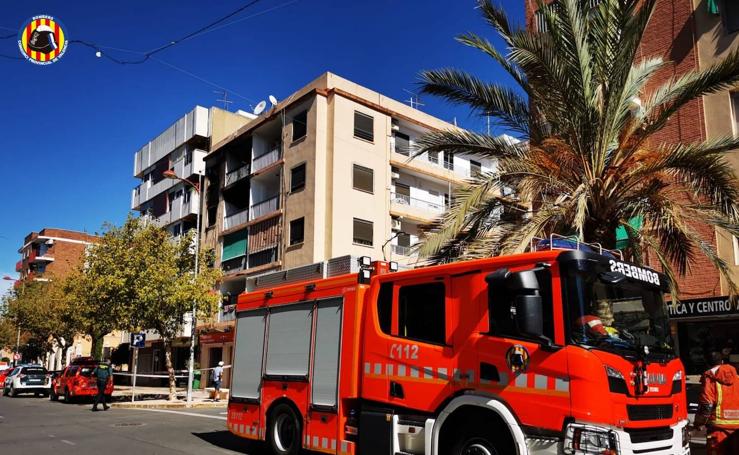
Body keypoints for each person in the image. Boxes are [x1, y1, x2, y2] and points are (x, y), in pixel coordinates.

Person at [694, 351, 739, 454]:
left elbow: (706, 405)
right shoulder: (737, 379)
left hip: (718, 430)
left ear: (707, 364)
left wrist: (699, 423)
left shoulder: (710, 379)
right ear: (722, 361)